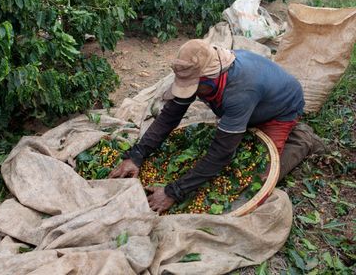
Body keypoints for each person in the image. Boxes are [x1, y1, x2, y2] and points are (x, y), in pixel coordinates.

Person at [109, 39, 325, 213]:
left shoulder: (240, 91)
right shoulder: (202, 73)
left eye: (195, 87)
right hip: (250, 103)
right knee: (226, 143)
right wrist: (137, 154)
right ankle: (245, 124)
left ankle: (303, 139)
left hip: (282, 109)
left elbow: (221, 154)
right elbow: (170, 115)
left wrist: (174, 192)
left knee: (258, 177)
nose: (191, 91)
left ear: (211, 78)